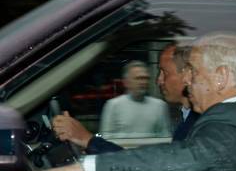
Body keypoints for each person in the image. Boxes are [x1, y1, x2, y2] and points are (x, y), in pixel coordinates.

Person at [28, 32, 236, 171]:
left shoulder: (231, 121)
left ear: (221, 76)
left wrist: (87, 169)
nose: (187, 80)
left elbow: (190, 158)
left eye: (193, 72)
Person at [53, 44, 198, 153]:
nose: (158, 80)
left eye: (164, 73)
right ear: (126, 82)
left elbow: (152, 167)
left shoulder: (197, 123)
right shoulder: (187, 118)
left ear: (187, 75)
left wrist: (86, 139)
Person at [97, 60, 171, 139]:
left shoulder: (160, 105)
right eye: (138, 78)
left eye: (146, 78)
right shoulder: (113, 105)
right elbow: (106, 138)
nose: (143, 82)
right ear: (126, 82)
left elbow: (165, 136)